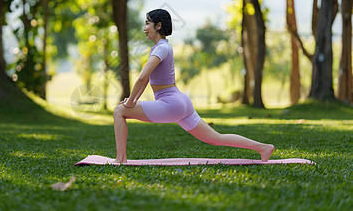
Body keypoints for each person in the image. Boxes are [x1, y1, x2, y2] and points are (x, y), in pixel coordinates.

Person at [113, 9, 274, 164]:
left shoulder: (161, 48)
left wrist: (128, 103)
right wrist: (132, 101)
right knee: (216, 138)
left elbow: (141, 78)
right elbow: (146, 80)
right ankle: (263, 148)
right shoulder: (162, 47)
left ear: (159, 25)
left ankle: (121, 159)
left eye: (148, 23)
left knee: (119, 111)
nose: (144, 28)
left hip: (170, 104)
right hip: (181, 102)